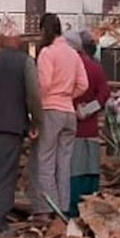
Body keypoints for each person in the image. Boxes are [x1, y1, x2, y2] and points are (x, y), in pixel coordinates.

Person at [0, 35, 42, 233]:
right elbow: (33, 96)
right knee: (5, 173)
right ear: (18, 41)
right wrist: (36, 122)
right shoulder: (25, 62)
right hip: (11, 126)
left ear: (1, 40)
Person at [32, 14, 88, 214]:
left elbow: (44, 85)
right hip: (69, 112)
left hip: (51, 110)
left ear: (44, 30)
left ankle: (48, 208)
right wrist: (67, 95)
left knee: (45, 160)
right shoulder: (73, 54)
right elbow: (83, 84)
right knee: (64, 163)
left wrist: (39, 106)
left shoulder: (47, 53)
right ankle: (63, 208)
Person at [68, 31, 111, 217]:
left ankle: (72, 210)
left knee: (72, 170)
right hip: (90, 126)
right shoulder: (96, 68)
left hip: (70, 126)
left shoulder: (68, 66)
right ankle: (90, 208)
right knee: (90, 168)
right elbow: (104, 94)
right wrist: (88, 110)